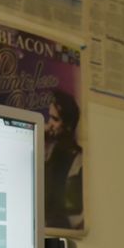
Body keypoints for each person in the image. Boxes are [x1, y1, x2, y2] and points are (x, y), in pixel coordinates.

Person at [44, 89, 83, 230]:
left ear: (68, 125)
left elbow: (74, 213)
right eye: (50, 118)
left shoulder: (75, 157)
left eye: (55, 119)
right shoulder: (49, 147)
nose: (49, 124)